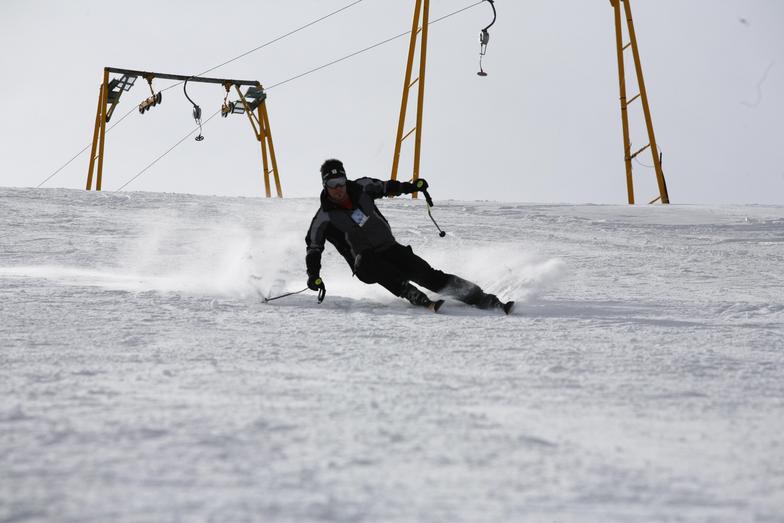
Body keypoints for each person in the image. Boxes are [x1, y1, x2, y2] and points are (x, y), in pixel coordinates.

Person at [305, 158, 514, 314]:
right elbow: (314, 247)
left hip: (389, 248)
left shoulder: (361, 187)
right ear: (325, 185)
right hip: (365, 264)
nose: (338, 189)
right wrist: (313, 275)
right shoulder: (324, 217)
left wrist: (412, 186)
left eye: (340, 181)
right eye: (332, 184)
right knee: (372, 263)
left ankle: (484, 299)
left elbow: (387, 187)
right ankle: (411, 293)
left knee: (429, 276)